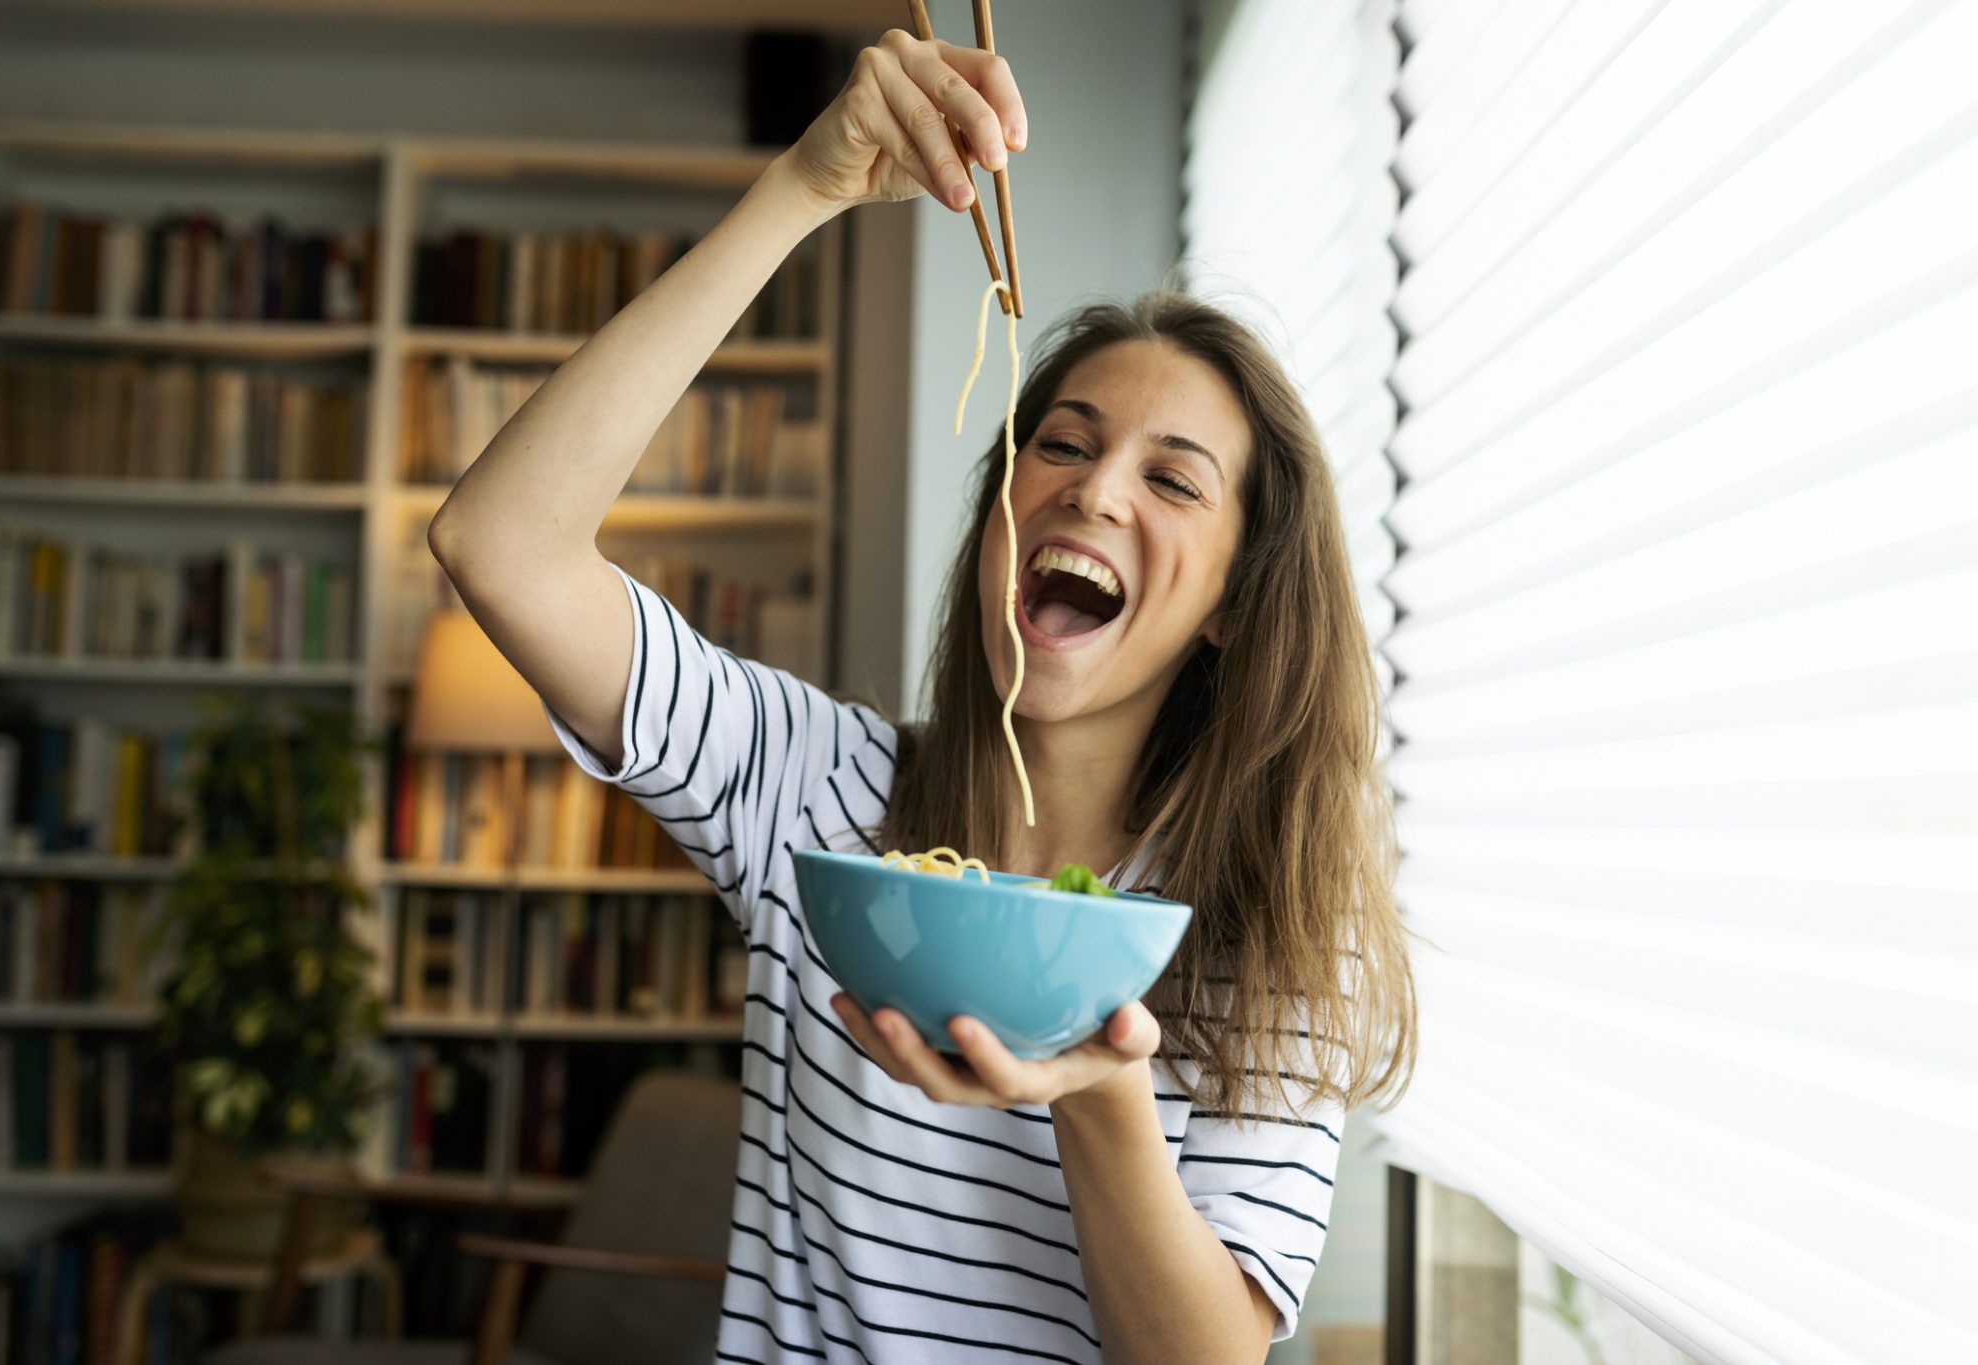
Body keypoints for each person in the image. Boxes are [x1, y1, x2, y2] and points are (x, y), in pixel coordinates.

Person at [429, 27, 1417, 1365]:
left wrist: (1104, 1091)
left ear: (1236, 604)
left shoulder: (1278, 919)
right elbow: (500, 543)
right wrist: (806, 188)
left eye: (1173, 478)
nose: (1094, 485)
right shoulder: (816, 789)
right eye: (1060, 443)